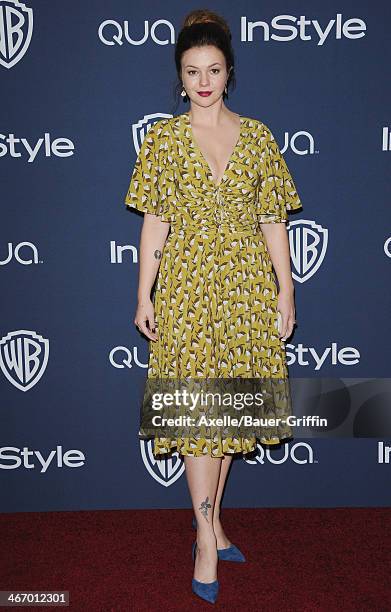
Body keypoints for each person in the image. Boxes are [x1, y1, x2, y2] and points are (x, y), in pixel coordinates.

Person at [124, 9, 303, 604]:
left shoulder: (257, 137)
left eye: (214, 70)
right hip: (187, 292)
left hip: (247, 292)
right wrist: (143, 290)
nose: (204, 81)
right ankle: (204, 538)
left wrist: (286, 289)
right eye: (192, 71)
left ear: (229, 73)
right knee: (200, 420)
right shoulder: (165, 139)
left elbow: (273, 220)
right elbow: (155, 221)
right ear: (180, 78)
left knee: (228, 417)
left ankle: (215, 521)